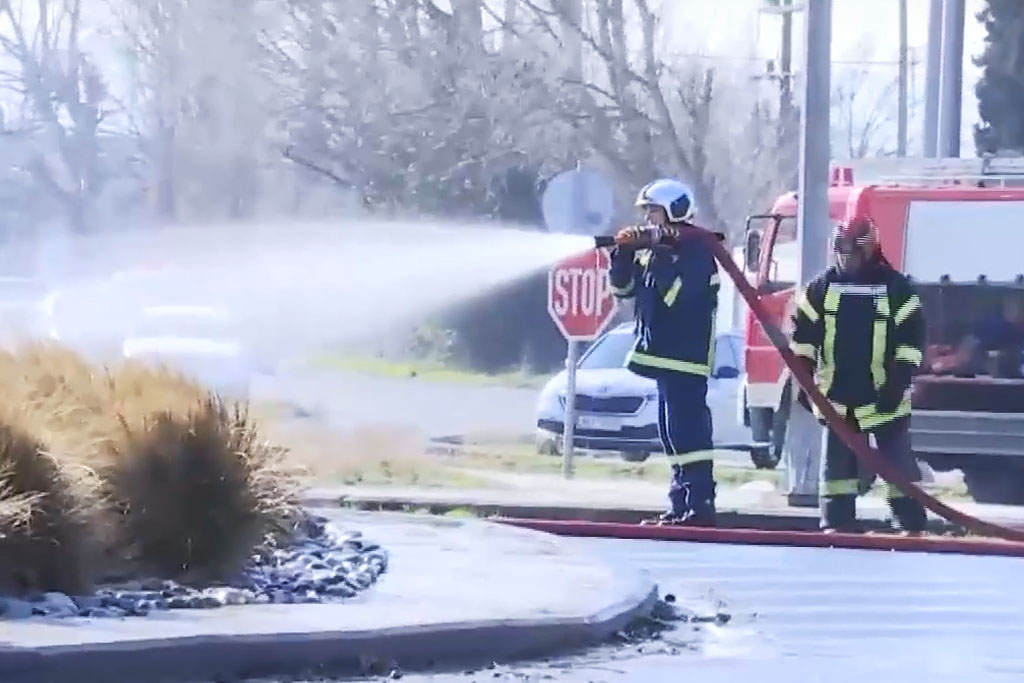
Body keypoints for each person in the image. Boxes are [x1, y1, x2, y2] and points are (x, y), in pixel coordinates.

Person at [789, 217, 928, 535]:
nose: (845, 260)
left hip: (885, 398)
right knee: (837, 471)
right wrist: (804, 376)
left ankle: (911, 525)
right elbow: (803, 335)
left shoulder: (896, 288)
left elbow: (912, 338)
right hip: (837, 400)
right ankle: (837, 524)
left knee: (897, 468)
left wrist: (899, 379)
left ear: (869, 250)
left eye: (852, 254)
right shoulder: (821, 288)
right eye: (841, 253)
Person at [607, 178, 721, 526]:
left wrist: (660, 258)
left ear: (674, 212)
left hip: (685, 355)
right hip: (660, 353)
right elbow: (623, 291)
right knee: (670, 432)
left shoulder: (698, 251)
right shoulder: (656, 252)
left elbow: (681, 299)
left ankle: (700, 504)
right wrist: (623, 257)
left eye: (653, 212)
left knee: (688, 431)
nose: (647, 221)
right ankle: (680, 502)